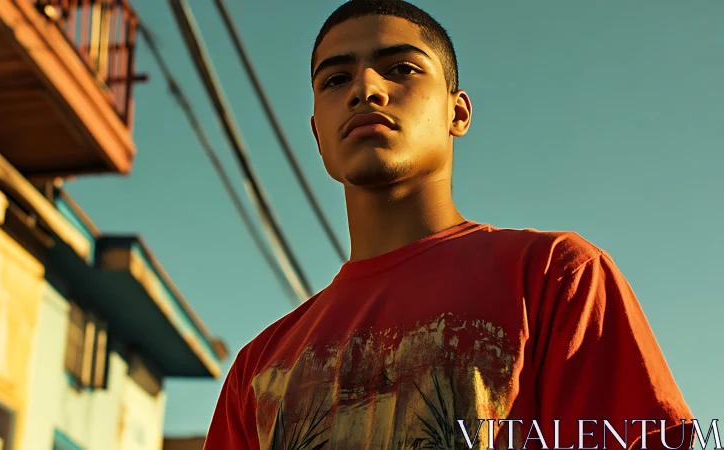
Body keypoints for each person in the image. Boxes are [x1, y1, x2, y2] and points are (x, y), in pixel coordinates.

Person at [204, 1, 693, 448]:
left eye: (401, 69)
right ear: (317, 133)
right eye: (334, 80)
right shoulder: (259, 368)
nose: (366, 89)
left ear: (456, 112)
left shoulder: (556, 278)